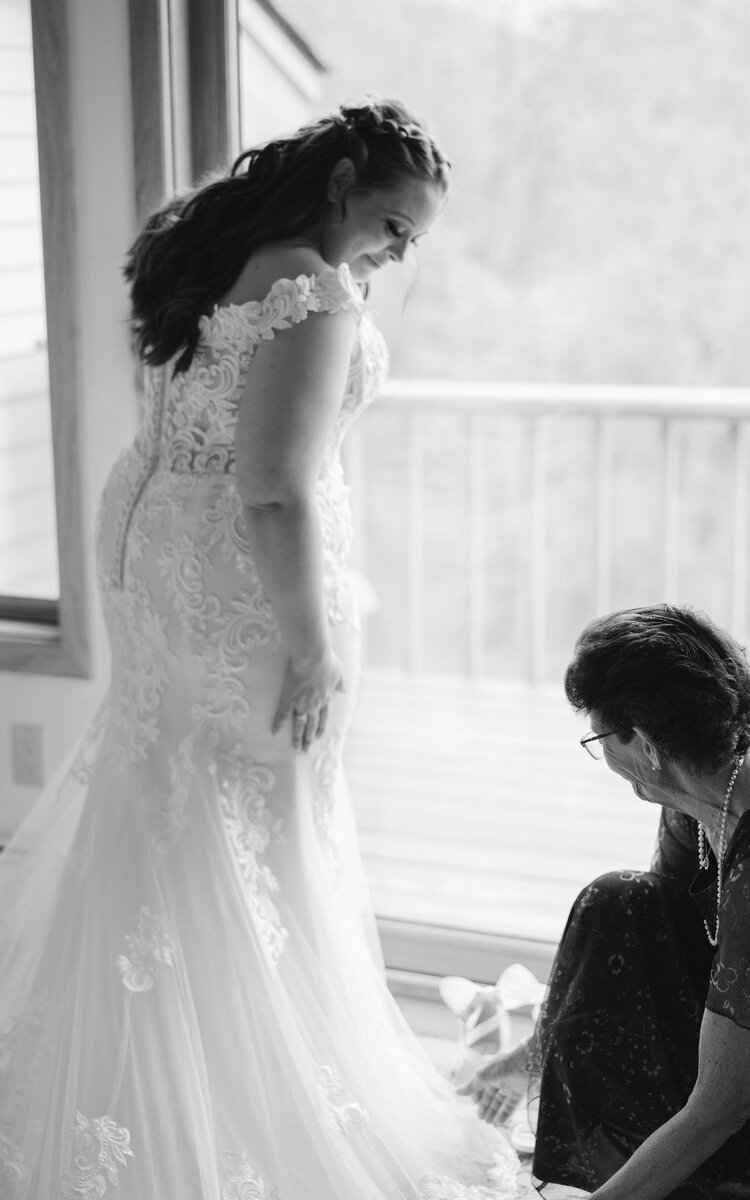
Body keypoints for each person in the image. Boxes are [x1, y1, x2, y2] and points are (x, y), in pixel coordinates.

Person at [0, 99, 527, 1199]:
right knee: (263, 807)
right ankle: (247, 1086)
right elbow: (274, 489)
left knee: (167, 794)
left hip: (156, 548)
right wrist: (314, 645)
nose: (395, 252)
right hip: (238, 583)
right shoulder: (312, 290)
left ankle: (143, 1061)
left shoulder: (215, 245)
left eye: (411, 239)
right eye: (392, 222)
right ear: (340, 183)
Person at [460, 605, 750, 1199]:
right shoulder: (706, 779)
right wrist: (532, 1053)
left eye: (598, 737)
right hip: (746, 1022)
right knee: (616, 902)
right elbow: (633, 943)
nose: (602, 755)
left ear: (643, 743)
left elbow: (724, 1107)